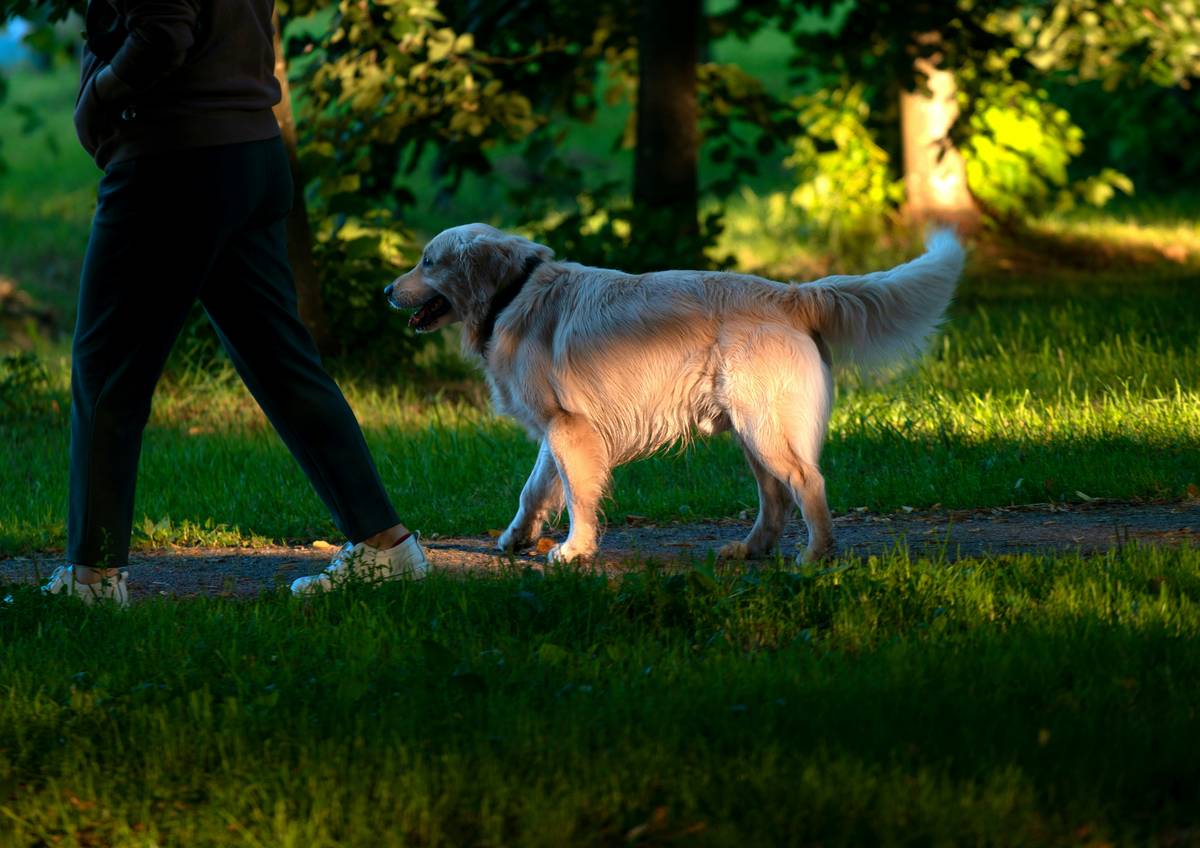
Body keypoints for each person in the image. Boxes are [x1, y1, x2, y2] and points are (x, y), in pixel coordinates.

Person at [40, 0, 427, 605]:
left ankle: (89, 581)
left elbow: (164, 29)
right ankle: (386, 546)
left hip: (172, 164)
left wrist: (99, 97)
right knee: (281, 363)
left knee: (107, 373)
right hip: (248, 151)